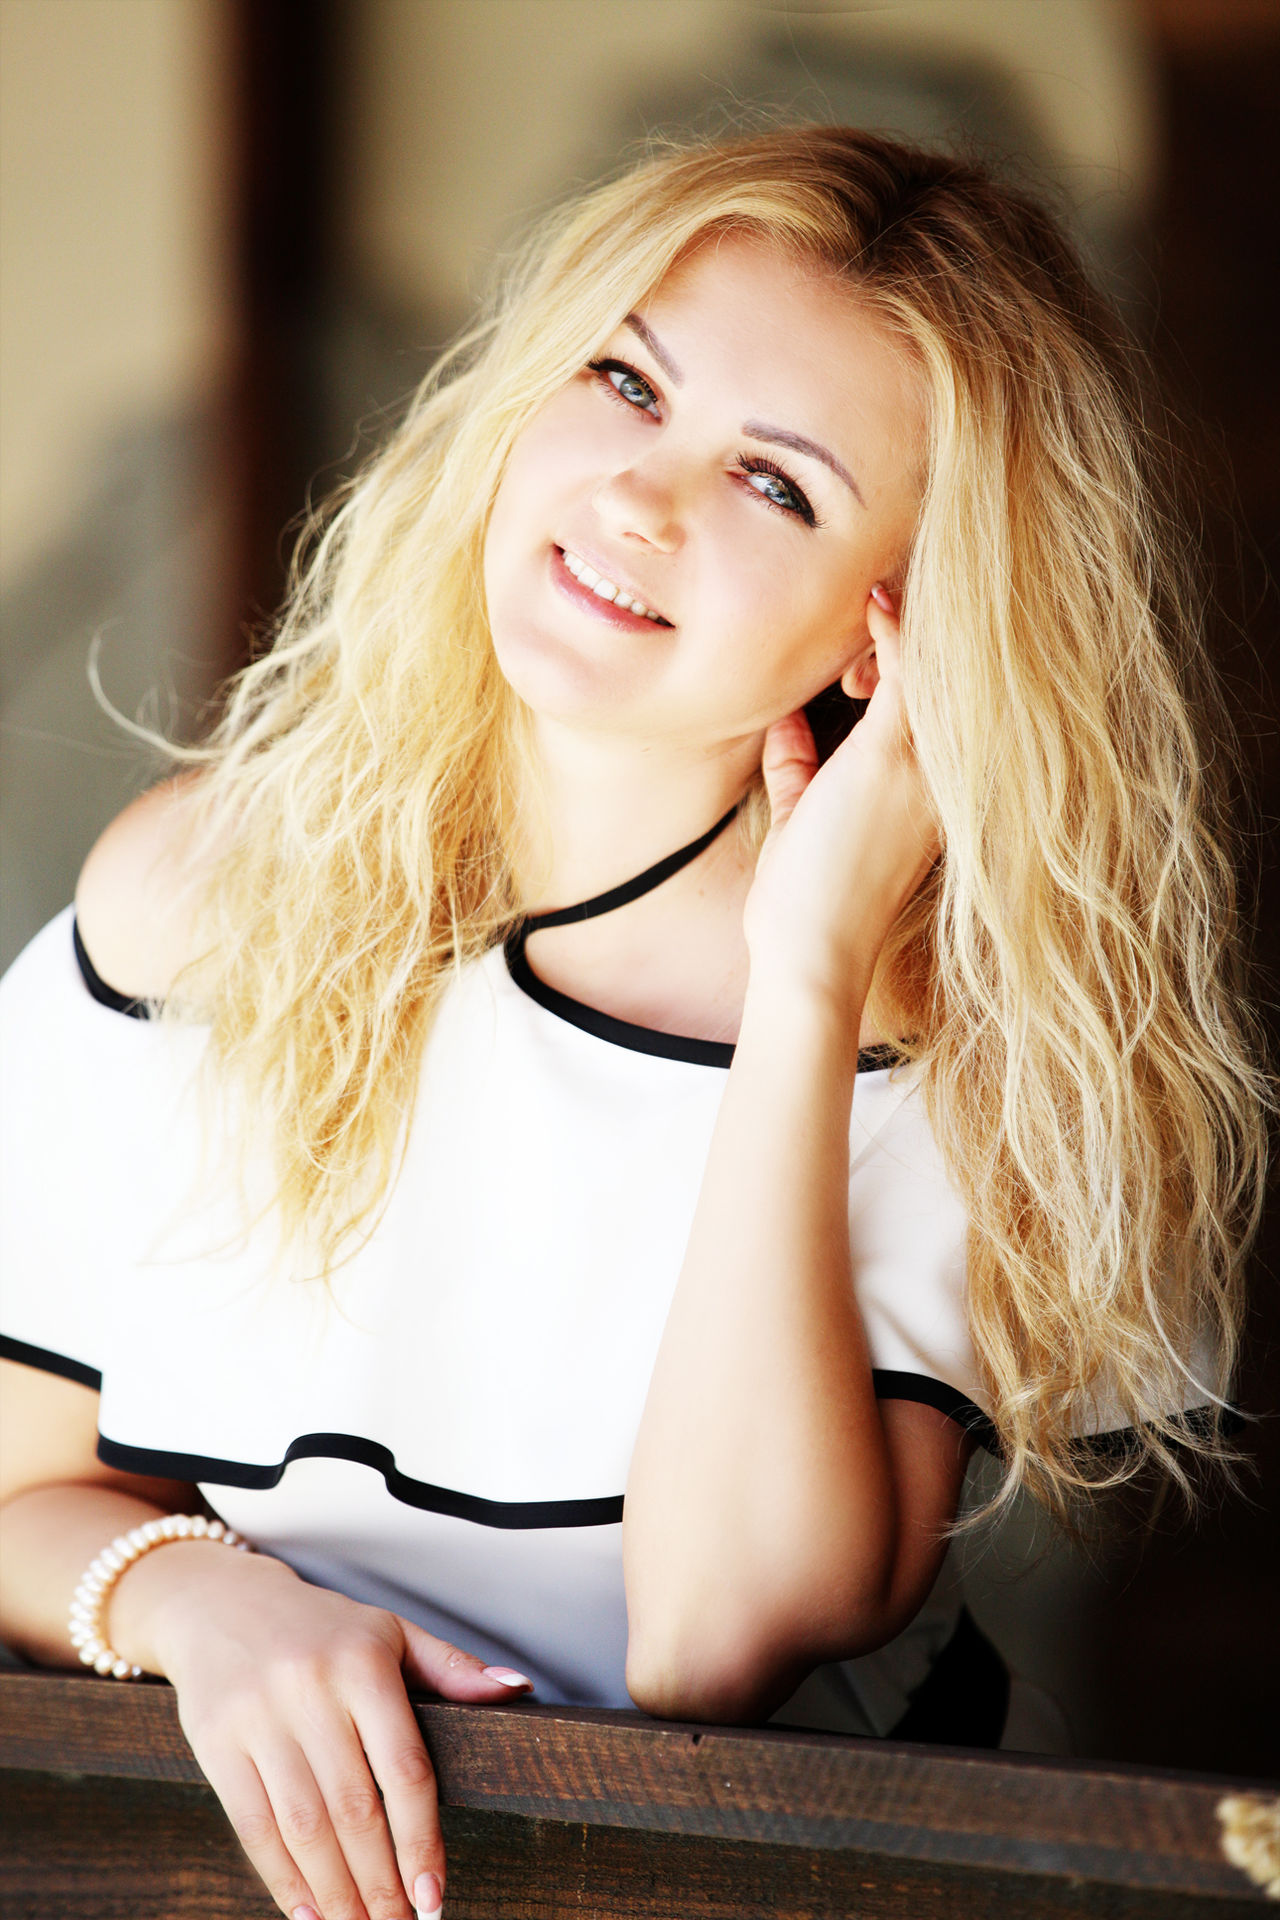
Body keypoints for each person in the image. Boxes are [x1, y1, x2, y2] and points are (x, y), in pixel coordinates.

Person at [0, 126, 1270, 1920]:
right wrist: (204, 1604)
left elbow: (706, 1645)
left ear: (893, 634)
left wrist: (806, 972)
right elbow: (17, 1492)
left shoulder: (931, 1052)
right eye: (625, 382)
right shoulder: (196, 894)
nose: (641, 501)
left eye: (776, 485)